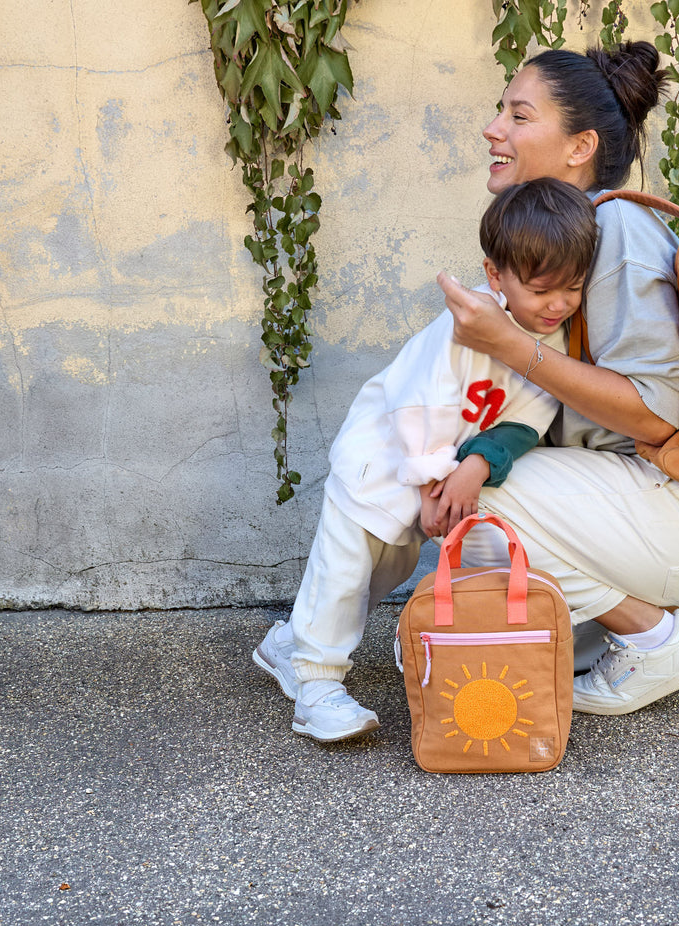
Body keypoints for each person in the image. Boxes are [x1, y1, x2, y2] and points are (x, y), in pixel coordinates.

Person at [434, 41, 679, 716]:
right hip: (656, 494)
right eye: (499, 111)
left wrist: (509, 344)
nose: (493, 129)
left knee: (473, 504)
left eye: (518, 115)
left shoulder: (614, 226)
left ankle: (658, 636)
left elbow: (654, 415)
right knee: (509, 618)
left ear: (578, 145)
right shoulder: (564, 232)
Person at [253, 177, 598, 742]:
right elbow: (420, 403)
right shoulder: (467, 327)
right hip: (379, 467)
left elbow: (527, 419)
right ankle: (316, 687)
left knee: (376, 578)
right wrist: (432, 482)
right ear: (496, 276)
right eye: (542, 290)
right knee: (343, 573)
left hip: (432, 487)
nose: (558, 304)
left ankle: (288, 642)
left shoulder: (548, 341)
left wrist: (477, 465)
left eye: (573, 289)